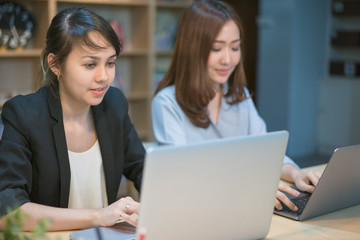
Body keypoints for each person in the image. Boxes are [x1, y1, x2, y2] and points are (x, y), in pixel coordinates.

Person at [152, 0, 321, 212]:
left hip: (240, 207)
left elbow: (266, 154)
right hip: (197, 211)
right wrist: (253, 186)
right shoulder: (167, 103)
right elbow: (184, 177)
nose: (228, 59)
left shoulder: (239, 97)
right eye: (216, 48)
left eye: (235, 47)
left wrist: (297, 174)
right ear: (192, 49)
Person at [0, 8, 144, 231]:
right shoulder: (23, 115)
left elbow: (144, 169)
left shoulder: (114, 103)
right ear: (55, 64)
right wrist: (98, 216)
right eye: (90, 64)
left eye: (110, 63)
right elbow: (8, 213)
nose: (104, 77)